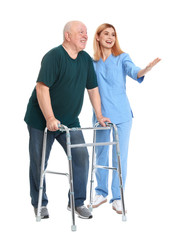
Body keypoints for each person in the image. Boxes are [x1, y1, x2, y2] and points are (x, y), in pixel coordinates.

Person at [24, 21, 110, 220]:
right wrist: (50, 118)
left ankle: (77, 201)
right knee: (39, 162)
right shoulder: (54, 56)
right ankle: (39, 203)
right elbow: (41, 88)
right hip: (41, 119)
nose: (86, 35)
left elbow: (93, 89)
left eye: (87, 32)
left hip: (70, 121)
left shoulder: (85, 60)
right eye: (81, 32)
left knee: (81, 157)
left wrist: (99, 115)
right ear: (67, 36)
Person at [91, 23, 161, 213]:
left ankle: (117, 197)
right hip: (101, 117)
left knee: (120, 157)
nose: (110, 37)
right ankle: (100, 192)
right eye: (106, 33)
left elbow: (134, 71)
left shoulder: (122, 58)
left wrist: (145, 69)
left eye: (113, 34)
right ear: (97, 37)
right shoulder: (92, 62)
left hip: (122, 116)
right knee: (101, 156)